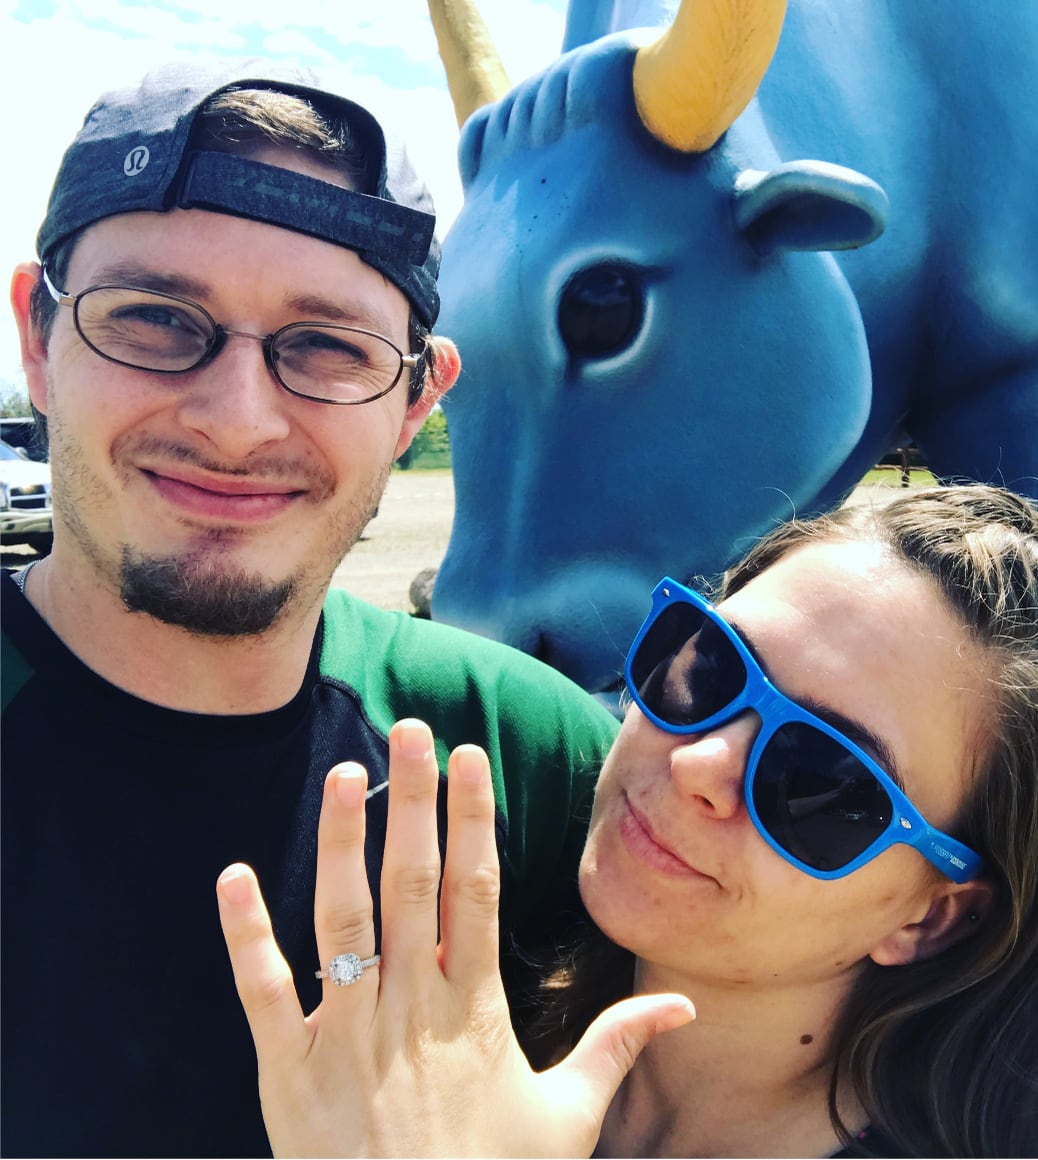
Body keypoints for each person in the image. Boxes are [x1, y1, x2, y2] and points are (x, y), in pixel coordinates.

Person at [0, 61, 620, 1157]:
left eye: (327, 347)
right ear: (38, 342)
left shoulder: (524, 751)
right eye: (153, 317)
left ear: (414, 401)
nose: (237, 421)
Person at [219, 485, 1038, 1157]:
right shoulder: (465, 1039)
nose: (700, 761)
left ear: (930, 916)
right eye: (706, 668)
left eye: (821, 781)